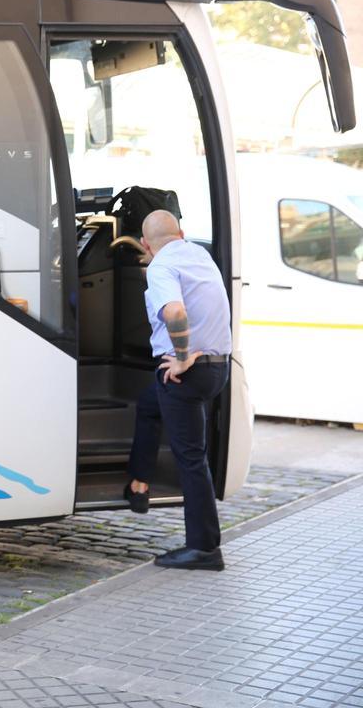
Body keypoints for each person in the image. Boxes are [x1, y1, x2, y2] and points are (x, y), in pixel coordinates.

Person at [124, 209, 232, 571]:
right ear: (181, 233)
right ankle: (139, 484)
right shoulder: (200, 255)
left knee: (192, 460)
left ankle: (204, 549)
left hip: (187, 373)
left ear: (145, 244)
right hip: (217, 368)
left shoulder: (160, 267)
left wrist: (183, 357)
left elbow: (174, 312)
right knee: (149, 402)